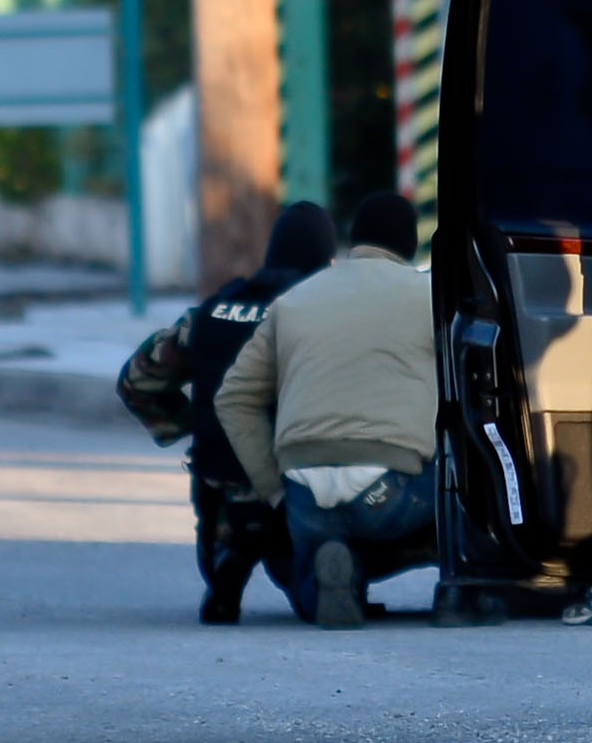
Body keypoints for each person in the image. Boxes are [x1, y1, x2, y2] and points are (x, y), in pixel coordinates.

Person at [212, 192, 438, 629]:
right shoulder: (428, 296)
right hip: (390, 494)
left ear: (352, 241)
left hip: (304, 491)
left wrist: (272, 486)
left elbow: (233, 396)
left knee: (312, 582)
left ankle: (338, 575)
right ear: (410, 245)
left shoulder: (295, 301)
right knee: (463, 479)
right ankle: (463, 588)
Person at [117, 198, 339, 623]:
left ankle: (229, 564)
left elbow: (136, 381)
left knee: (233, 517)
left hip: (221, 495)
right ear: (325, 260)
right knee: (317, 586)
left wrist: (189, 423)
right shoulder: (316, 314)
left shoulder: (211, 312)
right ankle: (310, 582)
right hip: (295, 492)